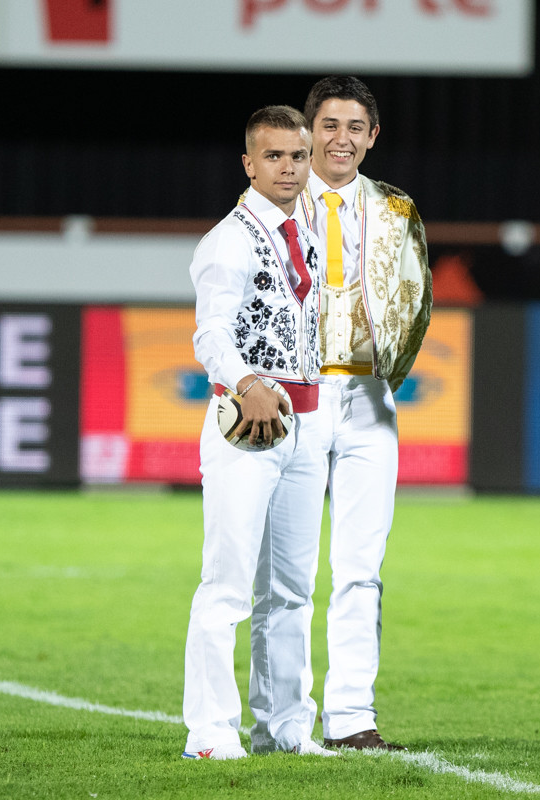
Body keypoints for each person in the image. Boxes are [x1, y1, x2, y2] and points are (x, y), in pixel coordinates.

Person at [182, 104, 336, 760]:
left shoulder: (311, 231)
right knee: (228, 583)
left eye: (298, 156)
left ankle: (284, 727)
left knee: (294, 588)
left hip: (306, 419)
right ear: (248, 164)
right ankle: (211, 734)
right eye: (274, 157)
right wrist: (244, 382)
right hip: (247, 420)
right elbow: (210, 331)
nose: (288, 168)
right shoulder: (231, 239)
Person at [297, 75, 432, 751]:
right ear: (307, 130)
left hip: (367, 400)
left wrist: (396, 362)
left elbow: (417, 297)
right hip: (296, 396)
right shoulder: (273, 203)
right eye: (329, 125)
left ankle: (351, 719)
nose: (341, 139)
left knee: (360, 566)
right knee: (287, 567)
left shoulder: (399, 210)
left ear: (372, 136)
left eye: (355, 127)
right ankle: (285, 715)